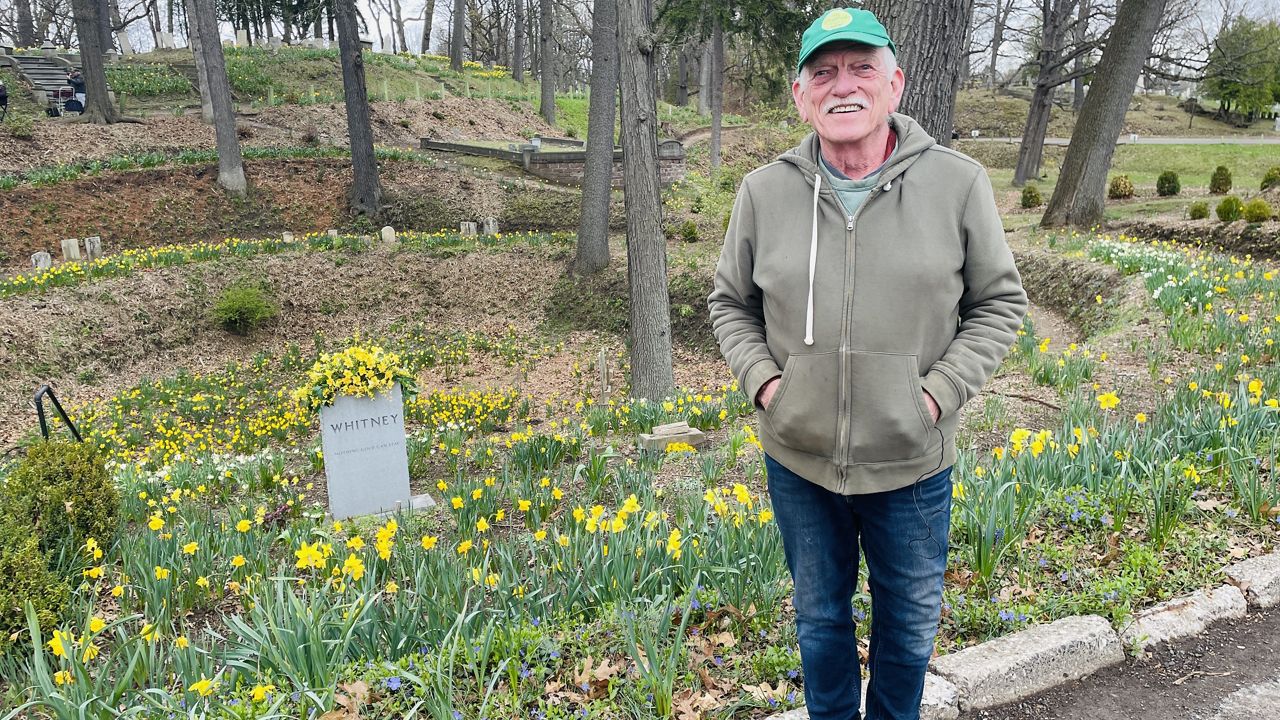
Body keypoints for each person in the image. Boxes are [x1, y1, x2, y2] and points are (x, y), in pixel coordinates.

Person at [707, 7, 1026, 720]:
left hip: (911, 460)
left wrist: (935, 398)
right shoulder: (763, 193)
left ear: (895, 85)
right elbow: (730, 303)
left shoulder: (958, 183)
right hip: (800, 459)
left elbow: (1000, 304)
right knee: (819, 622)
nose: (841, 85)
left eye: (860, 69)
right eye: (823, 72)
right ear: (800, 94)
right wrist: (767, 386)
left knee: (907, 632)